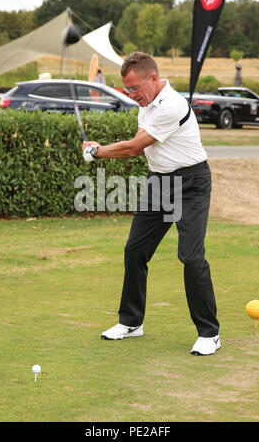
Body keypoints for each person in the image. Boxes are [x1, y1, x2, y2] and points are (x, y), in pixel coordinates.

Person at [82, 52, 220, 356]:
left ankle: (209, 333)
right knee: (135, 250)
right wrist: (99, 150)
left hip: (191, 185)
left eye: (134, 88)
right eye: (126, 90)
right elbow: (139, 141)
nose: (132, 96)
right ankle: (131, 322)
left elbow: (133, 148)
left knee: (190, 255)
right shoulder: (146, 105)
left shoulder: (172, 105)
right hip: (160, 182)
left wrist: (97, 151)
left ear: (153, 78)